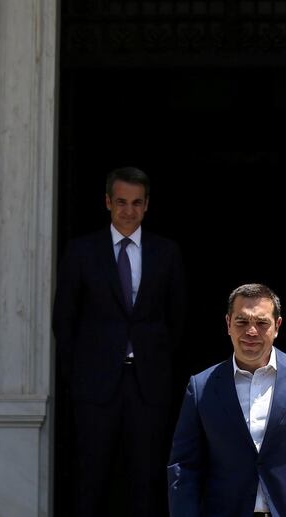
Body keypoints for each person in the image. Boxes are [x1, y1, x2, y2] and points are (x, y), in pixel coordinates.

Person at [52, 166, 186, 516]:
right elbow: (64, 319)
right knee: (91, 477)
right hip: (95, 385)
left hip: (148, 384)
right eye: (122, 202)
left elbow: (177, 318)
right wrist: (78, 372)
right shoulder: (82, 252)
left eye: (137, 203)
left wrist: (156, 359)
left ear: (147, 206)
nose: (129, 210)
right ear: (108, 202)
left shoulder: (166, 252)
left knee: (147, 478)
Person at [167, 283, 286, 517]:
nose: (251, 331)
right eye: (242, 322)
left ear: (277, 326)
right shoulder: (201, 386)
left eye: (262, 323)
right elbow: (184, 467)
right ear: (228, 324)